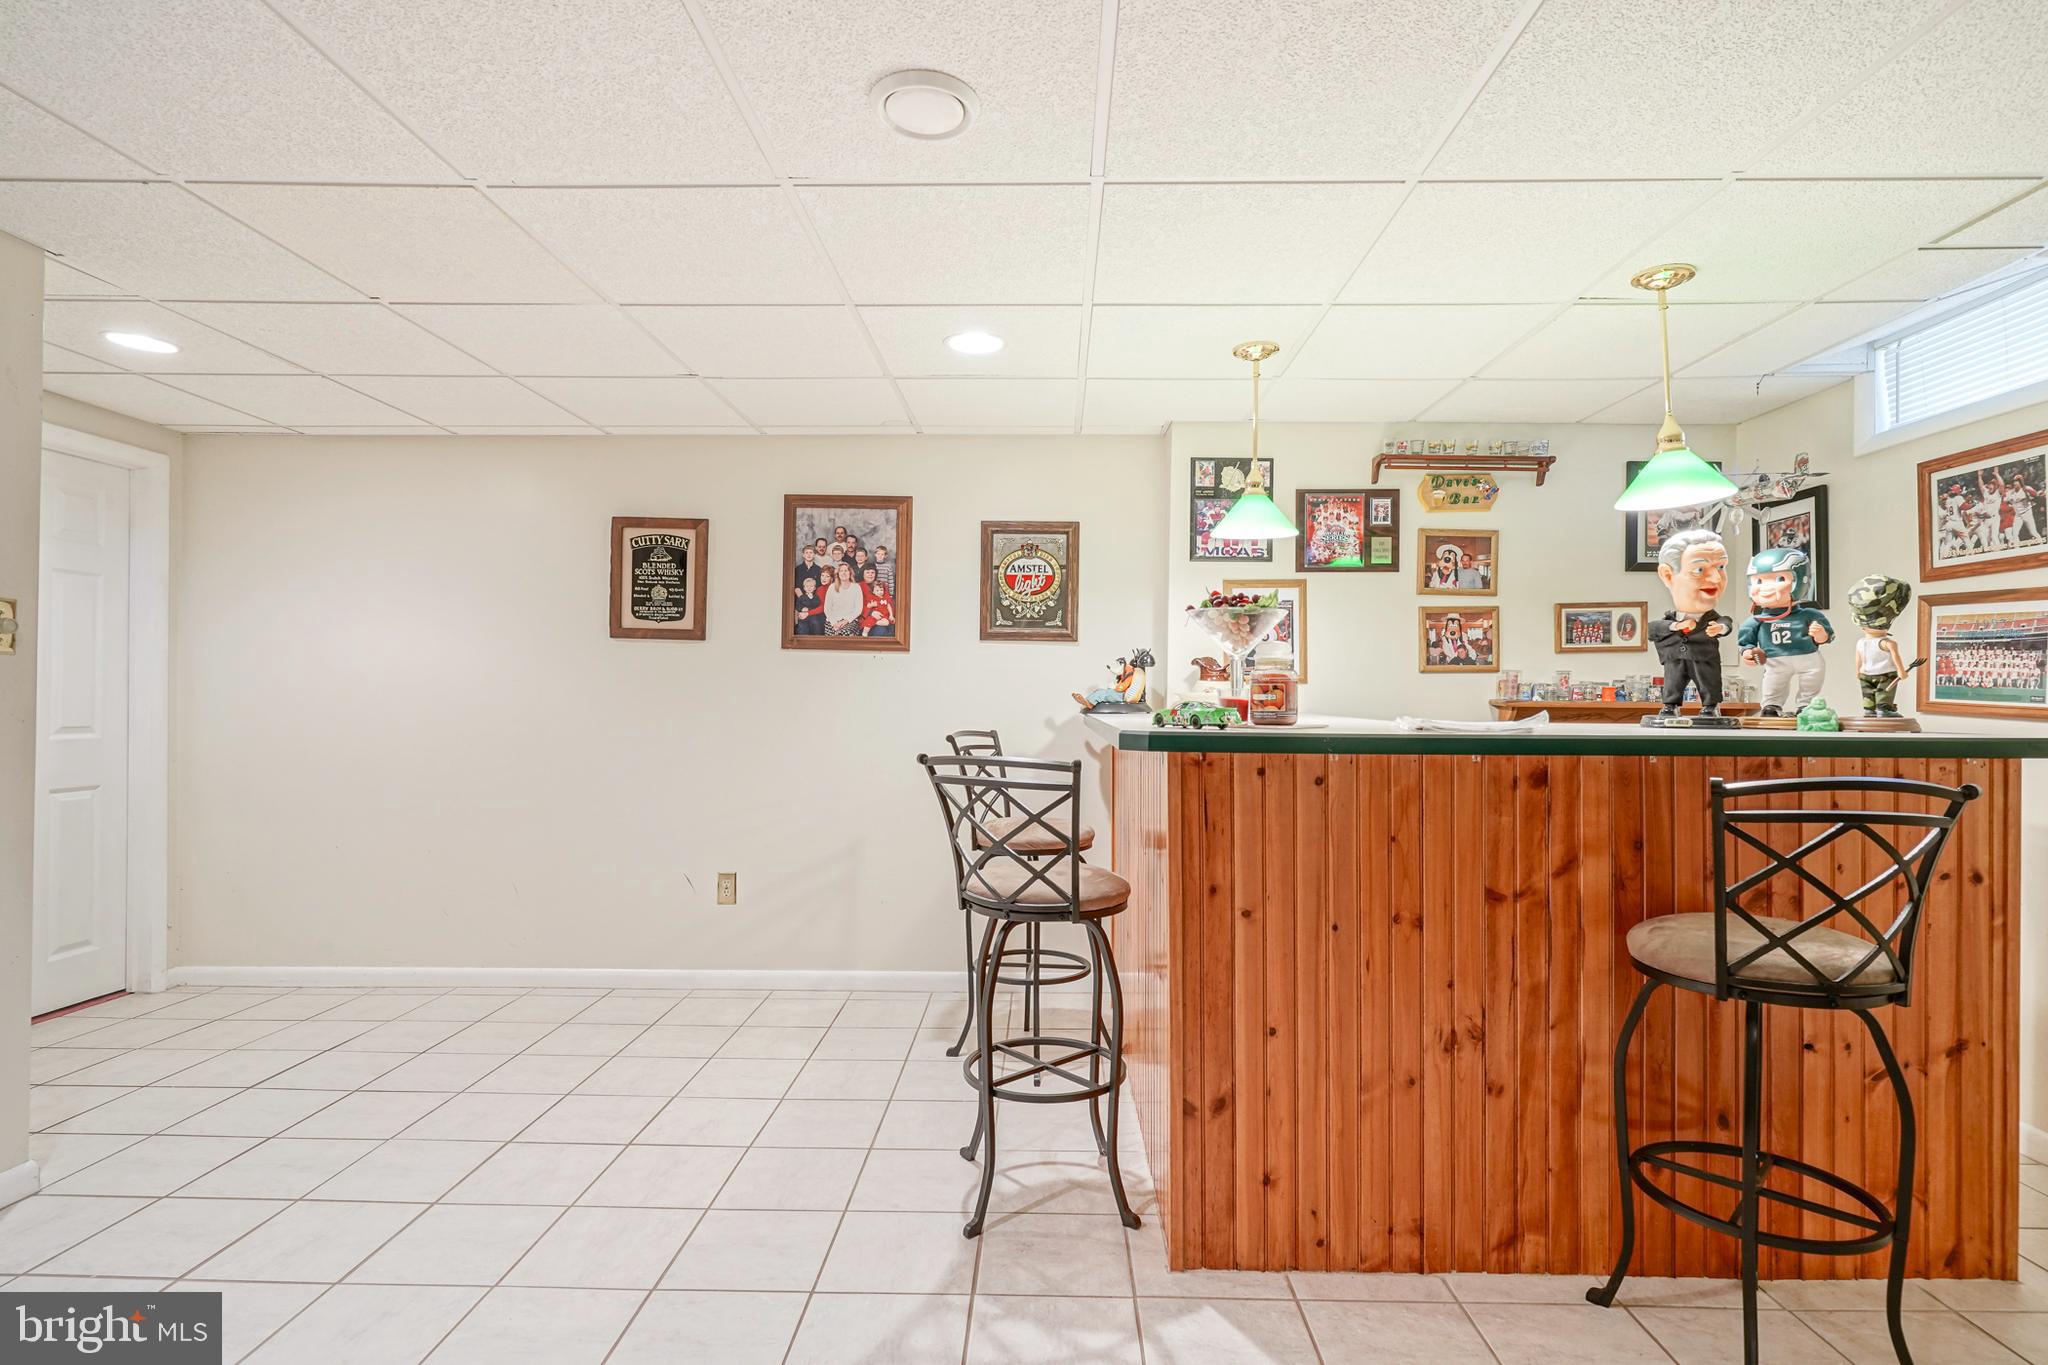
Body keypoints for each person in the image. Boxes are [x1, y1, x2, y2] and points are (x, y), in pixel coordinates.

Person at [1736, 545, 1832, 717]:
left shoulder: (1810, 615)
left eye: (1779, 578)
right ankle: (1772, 706)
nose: (1766, 587)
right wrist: (1749, 653)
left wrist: (1820, 635)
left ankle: (1805, 706)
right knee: (1773, 683)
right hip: (1775, 660)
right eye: (1759, 581)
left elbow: (1827, 636)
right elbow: (1746, 643)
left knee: (1812, 679)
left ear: (1800, 581)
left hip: (1808, 656)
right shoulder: (1756, 621)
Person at [1648, 527, 1733, 717]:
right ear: (1668, 575)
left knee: (1708, 681)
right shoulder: (1669, 619)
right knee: (1672, 681)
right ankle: (1670, 705)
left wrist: (1721, 628)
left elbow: (1726, 622)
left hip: (1704, 658)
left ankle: (1710, 706)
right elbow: (1653, 629)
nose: (1716, 578)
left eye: (1721, 567)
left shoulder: (1712, 618)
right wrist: (1676, 626)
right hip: (1675, 658)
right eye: (1699, 569)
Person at [1846, 574, 1914, 718]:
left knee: (1868, 694)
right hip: (1885, 675)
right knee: (1885, 693)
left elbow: (1858, 658)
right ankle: (1884, 709)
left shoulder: (1861, 642)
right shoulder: (1888, 643)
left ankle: (1869, 710)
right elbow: (1896, 658)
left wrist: (1857, 671)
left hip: (1865, 674)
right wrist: (1902, 672)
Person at [821, 562, 864, 636]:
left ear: (850, 573)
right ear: (837, 574)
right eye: (841, 571)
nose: (843, 573)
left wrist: (845, 621)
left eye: (846, 570)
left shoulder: (856, 587)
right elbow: (827, 609)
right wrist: (834, 623)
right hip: (832, 620)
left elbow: (858, 609)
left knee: (844, 634)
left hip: (850, 620)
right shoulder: (832, 587)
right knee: (834, 635)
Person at [859, 566, 894, 637]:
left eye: (872, 572)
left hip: (884, 616)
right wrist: (870, 612)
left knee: (891, 629)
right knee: (880, 631)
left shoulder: (881, 585)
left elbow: (889, 601)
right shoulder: (859, 586)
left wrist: (891, 615)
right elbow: (856, 606)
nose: (870, 574)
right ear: (863, 574)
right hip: (868, 617)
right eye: (867, 572)